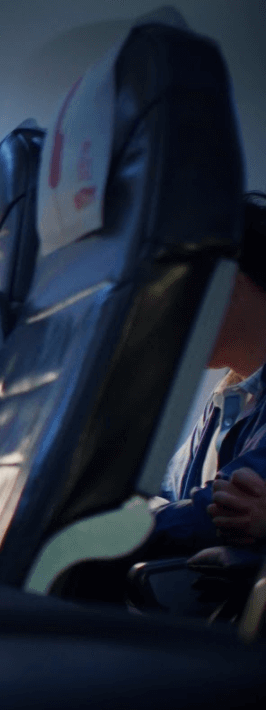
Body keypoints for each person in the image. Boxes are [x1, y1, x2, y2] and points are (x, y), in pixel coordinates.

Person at [150, 192, 266, 555]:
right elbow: (165, 495)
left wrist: (112, 527)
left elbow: (207, 517)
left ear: (229, 284)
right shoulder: (227, 399)